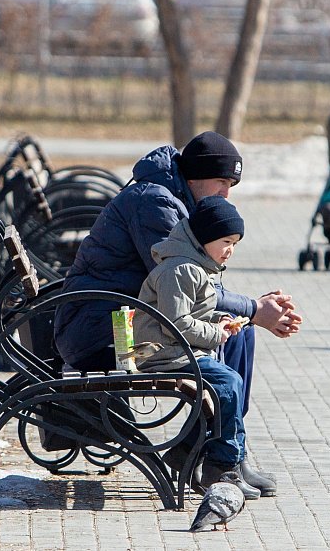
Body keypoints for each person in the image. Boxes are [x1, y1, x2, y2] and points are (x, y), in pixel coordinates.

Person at [53, 131, 301, 496]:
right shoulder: (157, 204)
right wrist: (254, 308)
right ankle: (216, 452)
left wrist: (253, 311)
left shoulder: (175, 200)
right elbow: (185, 284)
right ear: (196, 176)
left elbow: (196, 289)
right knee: (241, 324)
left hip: (126, 321)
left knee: (242, 330)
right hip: (102, 331)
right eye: (221, 182)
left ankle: (220, 448)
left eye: (231, 185)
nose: (226, 194)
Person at [133, 195, 260, 499]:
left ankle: (185, 452)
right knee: (229, 382)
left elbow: (193, 314)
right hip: (162, 354)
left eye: (235, 244)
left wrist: (222, 319)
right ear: (203, 238)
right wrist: (216, 334)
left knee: (224, 382)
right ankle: (222, 467)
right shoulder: (181, 270)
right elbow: (174, 324)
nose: (230, 250)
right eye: (226, 241)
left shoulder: (196, 266)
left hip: (175, 352)